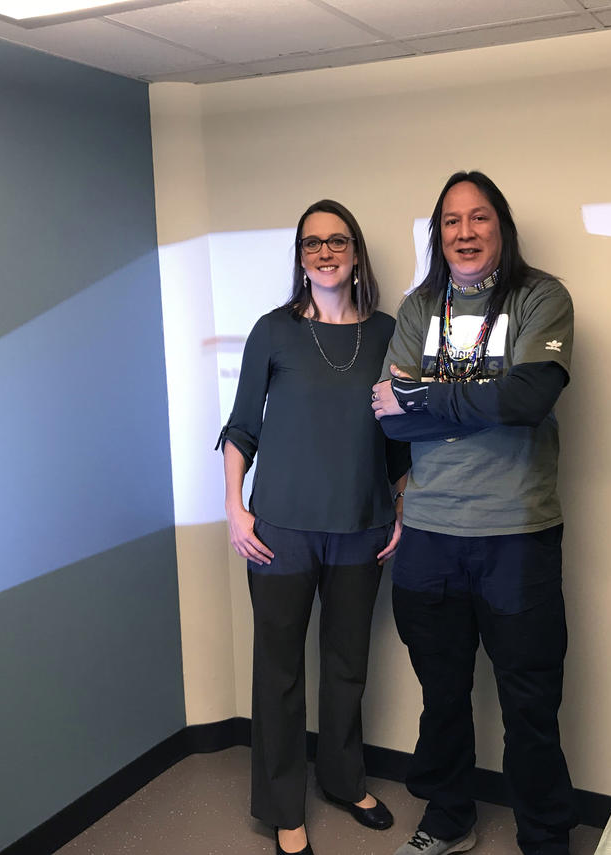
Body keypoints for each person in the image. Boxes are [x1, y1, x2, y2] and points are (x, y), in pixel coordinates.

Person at [371, 171, 576, 855]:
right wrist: (468, 401)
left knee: (529, 702)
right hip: (430, 533)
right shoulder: (418, 308)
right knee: (443, 694)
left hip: (516, 535)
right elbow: (388, 423)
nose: (465, 232)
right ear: (439, 235)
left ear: (501, 227)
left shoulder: (540, 298)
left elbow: (528, 399)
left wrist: (425, 401)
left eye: (479, 218)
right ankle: (451, 816)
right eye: (451, 221)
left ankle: (546, 836)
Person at [218, 200, 409, 855]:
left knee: (347, 665)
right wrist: (234, 507)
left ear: (356, 253)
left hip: (361, 525)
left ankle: (342, 778)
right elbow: (242, 426)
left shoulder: (387, 332)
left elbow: (397, 438)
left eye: (337, 241)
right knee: (278, 671)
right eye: (311, 244)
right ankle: (282, 806)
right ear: (301, 258)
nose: (324, 252)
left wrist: (401, 507)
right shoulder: (272, 331)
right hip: (280, 530)